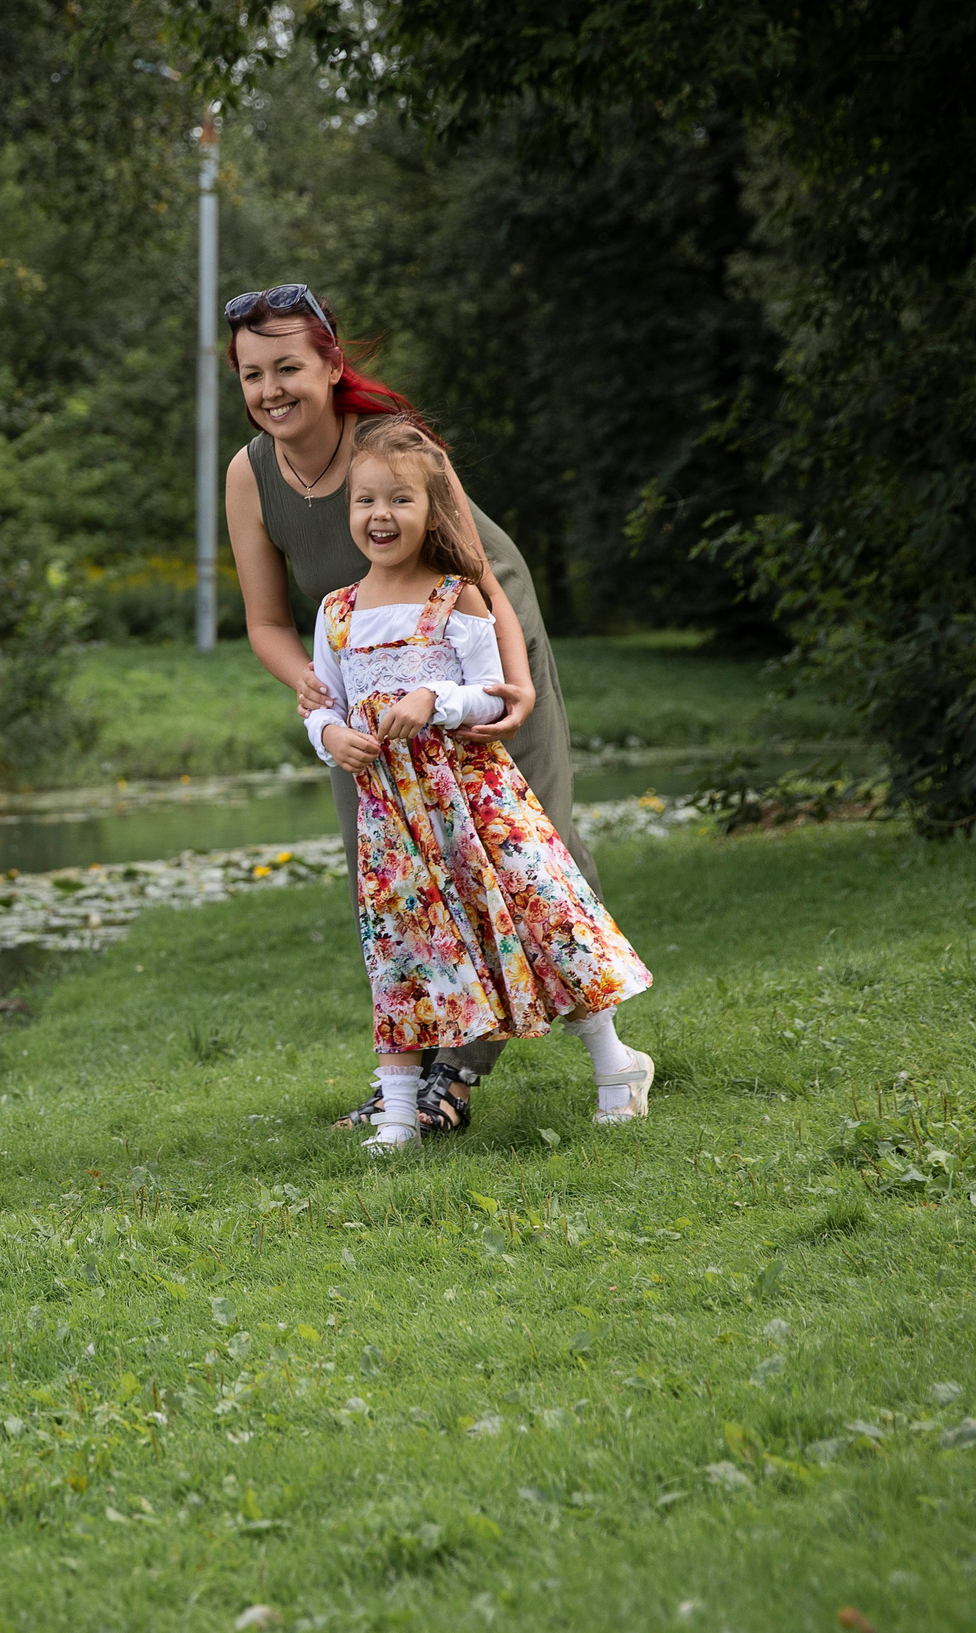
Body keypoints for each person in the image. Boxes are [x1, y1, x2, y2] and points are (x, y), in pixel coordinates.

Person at [221, 282, 596, 1134]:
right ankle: (413, 1066)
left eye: (288, 367)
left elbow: (483, 576)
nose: (270, 390)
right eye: (252, 375)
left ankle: (458, 1075)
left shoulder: (395, 444)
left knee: (514, 846)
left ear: (331, 364)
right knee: (393, 872)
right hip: (369, 674)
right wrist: (313, 691)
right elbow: (268, 620)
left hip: (475, 644)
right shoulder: (249, 474)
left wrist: (517, 682)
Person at [308, 417, 654, 1152]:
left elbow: (493, 694)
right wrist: (331, 737)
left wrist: (437, 699)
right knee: (401, 950)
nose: (381, 515)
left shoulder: (457, 597)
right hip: (395, 821)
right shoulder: (337, 614)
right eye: (366, 500)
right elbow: (323, 707)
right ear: (349, 512)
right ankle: (399, 1114)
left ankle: (616, 1066)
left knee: (544, 924)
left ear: (433, 511)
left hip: (480, 803)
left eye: (401, 500)